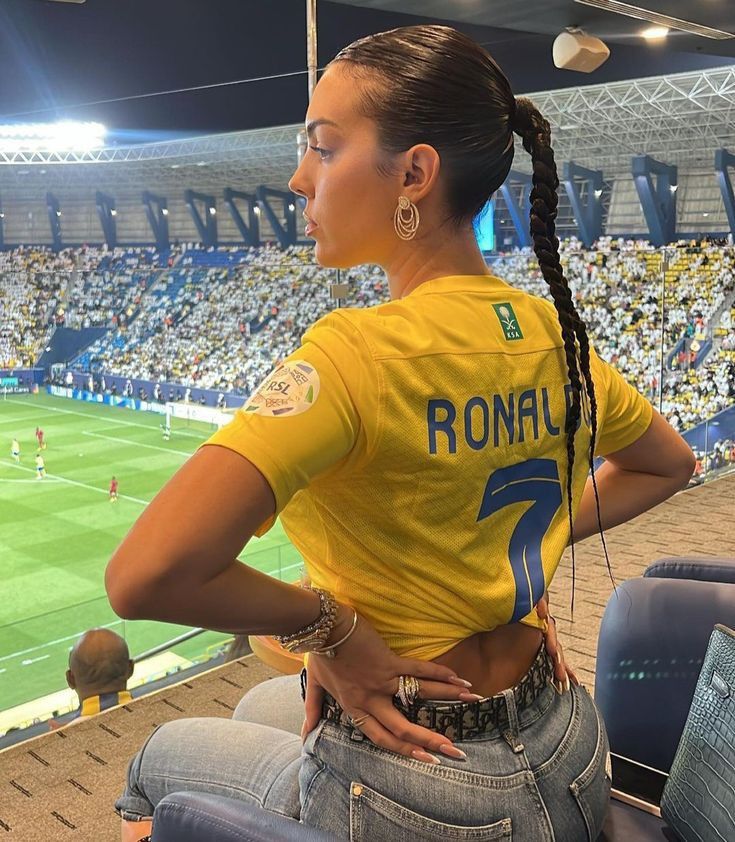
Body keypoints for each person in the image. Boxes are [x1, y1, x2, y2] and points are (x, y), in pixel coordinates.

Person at [107, 26, 695, 842]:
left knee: (158, 757)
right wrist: (528, 547)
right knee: (259, 703)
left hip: (422, 783)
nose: (296, 177)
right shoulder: (549, 333)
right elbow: (666, 465)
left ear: (414, 173)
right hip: (564, 741)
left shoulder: (353, 352)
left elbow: (146, 575)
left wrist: (332, 630)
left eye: (321, 146)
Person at [51, 629, 134, 728]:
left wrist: (66, 732)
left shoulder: (65, 739)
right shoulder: (154, 715)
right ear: (130, 669)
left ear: (70, 680)